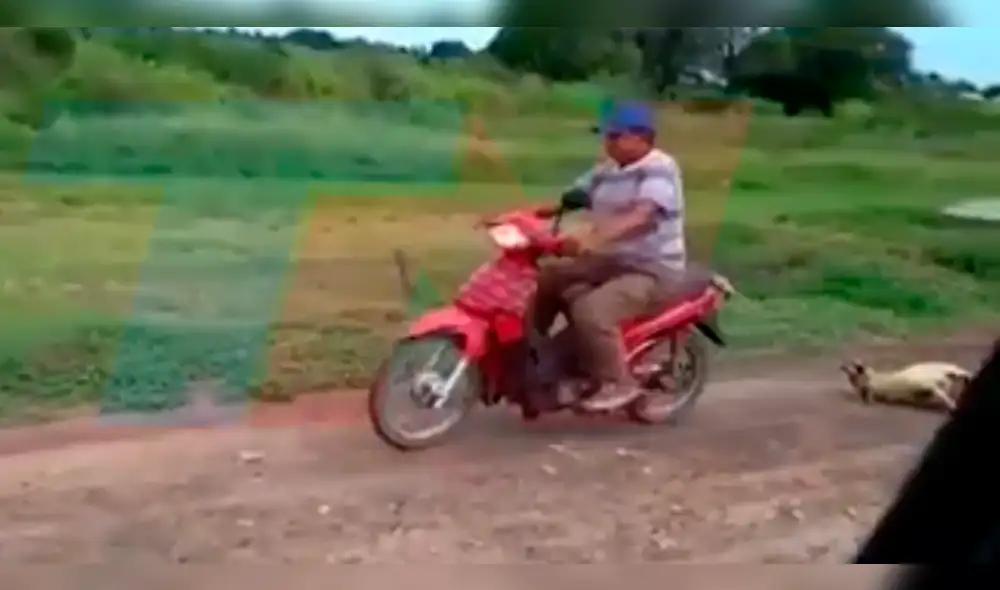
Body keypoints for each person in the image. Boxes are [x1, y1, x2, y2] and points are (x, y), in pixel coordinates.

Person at [530, 100, 687, 413]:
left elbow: (642, 216)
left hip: (651, 269)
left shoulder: (659, 168)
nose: (608, 142)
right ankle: (535, 356)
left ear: (641, 137)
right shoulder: (606, 170)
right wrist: (516, 218)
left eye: (615, 136)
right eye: (607, 136)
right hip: (610, 262)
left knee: (592, 311)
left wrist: (594, 238)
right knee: (545, 278)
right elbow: (567, 201)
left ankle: (619, 382)